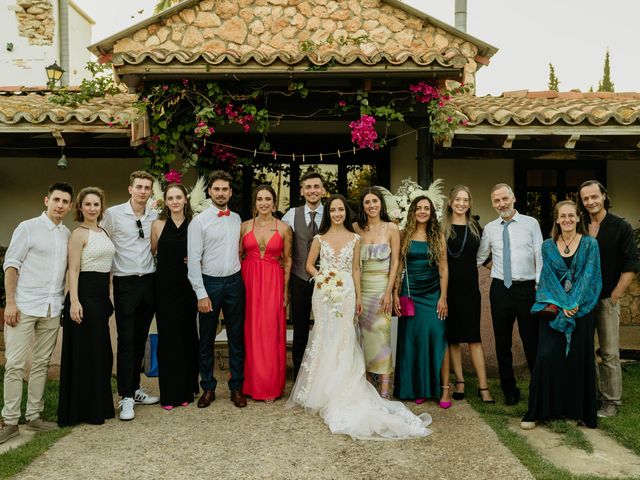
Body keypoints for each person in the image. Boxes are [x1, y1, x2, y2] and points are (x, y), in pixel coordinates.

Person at [286, 195, 432, 440]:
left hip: (348, 293)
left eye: (341, 209)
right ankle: (319, 389)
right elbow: (309, 266)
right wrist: (324, 278)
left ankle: (346, 385)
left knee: (345, 338)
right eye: (333, 210)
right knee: (323, 336)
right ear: (328, 213)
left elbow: (356, 269)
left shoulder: (355, 238)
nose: (337, 213)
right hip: (324, 293)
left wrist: (358, 298)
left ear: (346, 212)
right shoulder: (319, 239)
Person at [1, 183, 73, 444]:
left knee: (41, 363)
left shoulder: (67, 234)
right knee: (15, 364)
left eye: (65, 201)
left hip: (51, 307)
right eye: (56, 199)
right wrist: (10, 302)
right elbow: (11, 265)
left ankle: (34, 416)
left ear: (70, 206)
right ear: (46, 200)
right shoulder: (27, 227)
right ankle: (9, 421)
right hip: (23, 306)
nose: (60, 205)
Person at [521, 200, 602, 429]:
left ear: (578, 218)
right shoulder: (547, 246)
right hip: (555, 309)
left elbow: (590, 277)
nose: (567, 220)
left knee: (578, 359)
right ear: (556, 219)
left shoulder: (590, 244)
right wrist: (564, 304)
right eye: (562, 216)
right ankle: (538, 411)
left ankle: (578, 411)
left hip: (581, 310)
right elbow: (547, 280)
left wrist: (574, 304)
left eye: (571, 216)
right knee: (546, 357)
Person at [578, 180, 640, 418]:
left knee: (610, 352)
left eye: (594, 196)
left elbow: (631, 264)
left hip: (606, 298)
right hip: (583, 300)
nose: (591, 202)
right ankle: (592, 396)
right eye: (586, 199)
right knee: (586, 350)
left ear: (603, 196)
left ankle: (612, 400)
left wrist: (616, 294)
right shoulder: (580, 225)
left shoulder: (620, 226)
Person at [477, 183, 542, 406]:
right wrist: (495, 269)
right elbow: (480, 257)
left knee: (531, 341)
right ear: (493, 204)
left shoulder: (531, 223)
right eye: (497, 201)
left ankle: (538, 388)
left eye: (505, 198)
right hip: (500, 290)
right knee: (502, 343)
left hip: (527, 289)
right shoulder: (490, 228)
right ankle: (509, 389)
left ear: (513, 198)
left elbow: (539, 254)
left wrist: (539, 283)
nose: (501, 204)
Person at [102, 171, 159, 421]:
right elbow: (101, 243)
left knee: (140, 338)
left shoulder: (155, 216)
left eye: (147, 187)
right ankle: (124, 396)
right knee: (126, 339)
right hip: (125, 282)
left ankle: (135, 388)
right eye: (139, 186)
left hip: (149, 281)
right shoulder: (113, 215)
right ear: (130, 189)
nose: (143, 191)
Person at [188, 170, 247, 408]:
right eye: (217, 189)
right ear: (209, 192)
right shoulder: (198, 222)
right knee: (207, 339)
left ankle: (237, 388)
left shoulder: (236, 219)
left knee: (236, 337)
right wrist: (201, 293)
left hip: (234, 282)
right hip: (209, 283)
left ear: (230, 193)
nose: (221, 193)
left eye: (225, 189)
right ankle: (208, 388)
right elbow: (193, 260)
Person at [58, 187, 115, 426]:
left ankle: (99, 405)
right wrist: (74, 301)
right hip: (85, 296)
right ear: (80, 208)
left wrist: (109, 297)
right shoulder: (78, 234)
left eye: (96, 204)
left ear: (101, 207)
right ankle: (83, 410)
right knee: (87, 353)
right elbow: (73, 269)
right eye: (88, 204)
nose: (92, 208)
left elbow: (109, 267)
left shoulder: (103, 231)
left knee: (102, 353)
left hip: (101, 297)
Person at [393, 196, 451, 408]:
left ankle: (445, 389)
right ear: (413, 211)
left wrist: (443, 297)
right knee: (413, 341)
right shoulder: (404, 234)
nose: (423, 211)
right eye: (419, 208)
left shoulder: (438, 237)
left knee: (438, 338)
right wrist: (395, 293)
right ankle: (419, 388)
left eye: (426, 208)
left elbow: (443, 268)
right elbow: (399, 265)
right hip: (410, 293)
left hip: (433, 293)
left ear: (431, 212)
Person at [441, 185, 494, 403]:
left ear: (469, 203)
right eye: (458, 200)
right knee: (452, 338)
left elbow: (486, 258)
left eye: (465, 200)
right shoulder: (442, 228)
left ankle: (483, 386)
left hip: (470, 289)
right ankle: (460, 381)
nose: (461, 204)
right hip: (447, 288)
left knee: (474, 338)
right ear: (451, 203)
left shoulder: (475, 227)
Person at [240, 185, 292, 402]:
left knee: (270, 331)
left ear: (274, 202)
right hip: (248, 281)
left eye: (268, 199)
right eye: (260, 199)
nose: (263, 203)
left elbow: (288, 259)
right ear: (255, 202)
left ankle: (270, 385)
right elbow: (237, 255)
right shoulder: (244, 226)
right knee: (249, 331)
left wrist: (286, 290)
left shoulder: (284, 228)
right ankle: (250, 384)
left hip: (273, 281)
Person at [151, 184, 198, 410]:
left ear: (186, 200)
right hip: (165, 289)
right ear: (165, 202)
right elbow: (153, 253)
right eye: (171, 198)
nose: (175, 201)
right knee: (168, 340)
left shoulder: (195, 225)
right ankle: (169, 393)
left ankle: (187, 389)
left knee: (187, 336)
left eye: (179, 197)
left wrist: (197, 261)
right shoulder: (158, 225)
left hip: (188, 288)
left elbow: (203, 253)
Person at [353, 187, 400, 399]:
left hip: (382, 289)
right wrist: (356, 295)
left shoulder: (392, 228)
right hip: (361, 289)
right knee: (363, 338)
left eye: (375, 201)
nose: (371, 206)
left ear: (381, 203)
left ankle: (384, 389)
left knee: (381, 337)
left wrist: (389, 292)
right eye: (367, 202)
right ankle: (367, 385)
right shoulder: (355, 228)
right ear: (362, 206)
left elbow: (396, 262)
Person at [282, 172, 325, 380]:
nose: (312, 190)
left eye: (316, 186)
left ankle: (322, 371)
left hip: (327, 280)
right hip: (299, 278)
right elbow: (280, 242)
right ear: (302, 191)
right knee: (300, 327)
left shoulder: (333, 212)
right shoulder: (291, 214)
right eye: (308, 187)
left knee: (325, 326)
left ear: (323, 190)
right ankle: (299, 373)